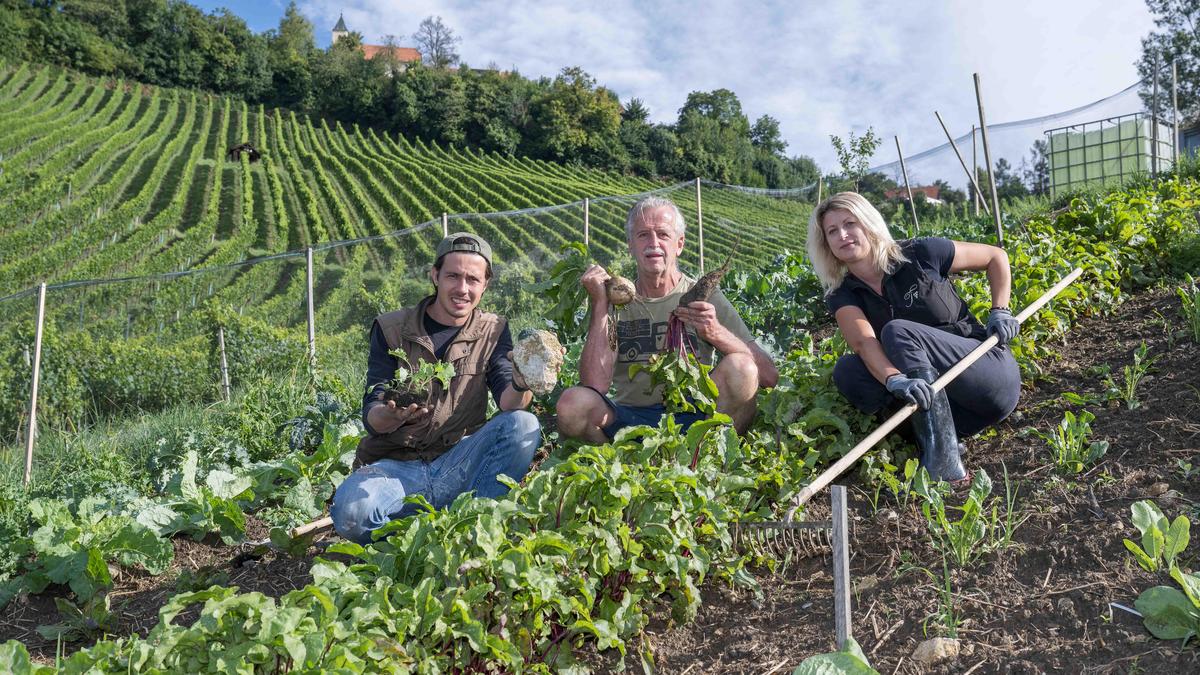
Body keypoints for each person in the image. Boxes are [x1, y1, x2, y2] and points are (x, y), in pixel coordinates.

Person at [330, 233, 541, 544]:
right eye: (453, 276)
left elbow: (509, 402)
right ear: (435, 276)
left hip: (458, 462)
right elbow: (372, 412)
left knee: (524, 424)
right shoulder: (392, 329)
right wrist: (394, 416)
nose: (462, 288)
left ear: (486, 284)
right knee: (352, 512)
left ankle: (473, 525)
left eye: (473, 279)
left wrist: (522, 381)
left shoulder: (493, 330)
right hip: (396, 469)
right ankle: (424, 536)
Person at [807, 192, 1021, 483]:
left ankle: (944, 463)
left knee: (897, 331)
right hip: (948, 407)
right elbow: (863, 342)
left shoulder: (920, 254)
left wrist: (1000, 310)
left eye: (849, 224)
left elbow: (996, 257)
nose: (843, 235)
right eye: (832, 231)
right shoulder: (843, 293)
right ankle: (936, 433)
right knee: (848, 371)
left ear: (868, 224)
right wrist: (894, 378)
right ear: (826, 244)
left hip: (984, 374)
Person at [555, 196, 778, 441]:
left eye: (663, 234)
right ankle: (622, 465)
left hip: (697, 417)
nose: (653, 243)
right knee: (571, 404)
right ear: (630, 244)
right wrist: (600, 305)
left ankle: (705, 455)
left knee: (743, 369)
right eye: (643, 235)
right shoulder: (616, 301)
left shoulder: (704, 295)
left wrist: (716, 333)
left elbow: (768, 375)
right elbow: (595, 387)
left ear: (679, 244)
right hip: (630, 420)